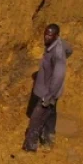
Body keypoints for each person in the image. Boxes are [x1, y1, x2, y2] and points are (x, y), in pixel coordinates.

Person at [23, 24, 72, 152]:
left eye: (50, 35)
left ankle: (30, 148)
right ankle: (49, 139)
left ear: (56, 36)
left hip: (47, 93)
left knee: (35, 121)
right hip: (51, 92)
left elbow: (59, 76)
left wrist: (48, 97)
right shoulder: (58, 44)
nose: (46, 37)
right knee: (50, 114)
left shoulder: (57, 53)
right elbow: (69, 49)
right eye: (46, 34)